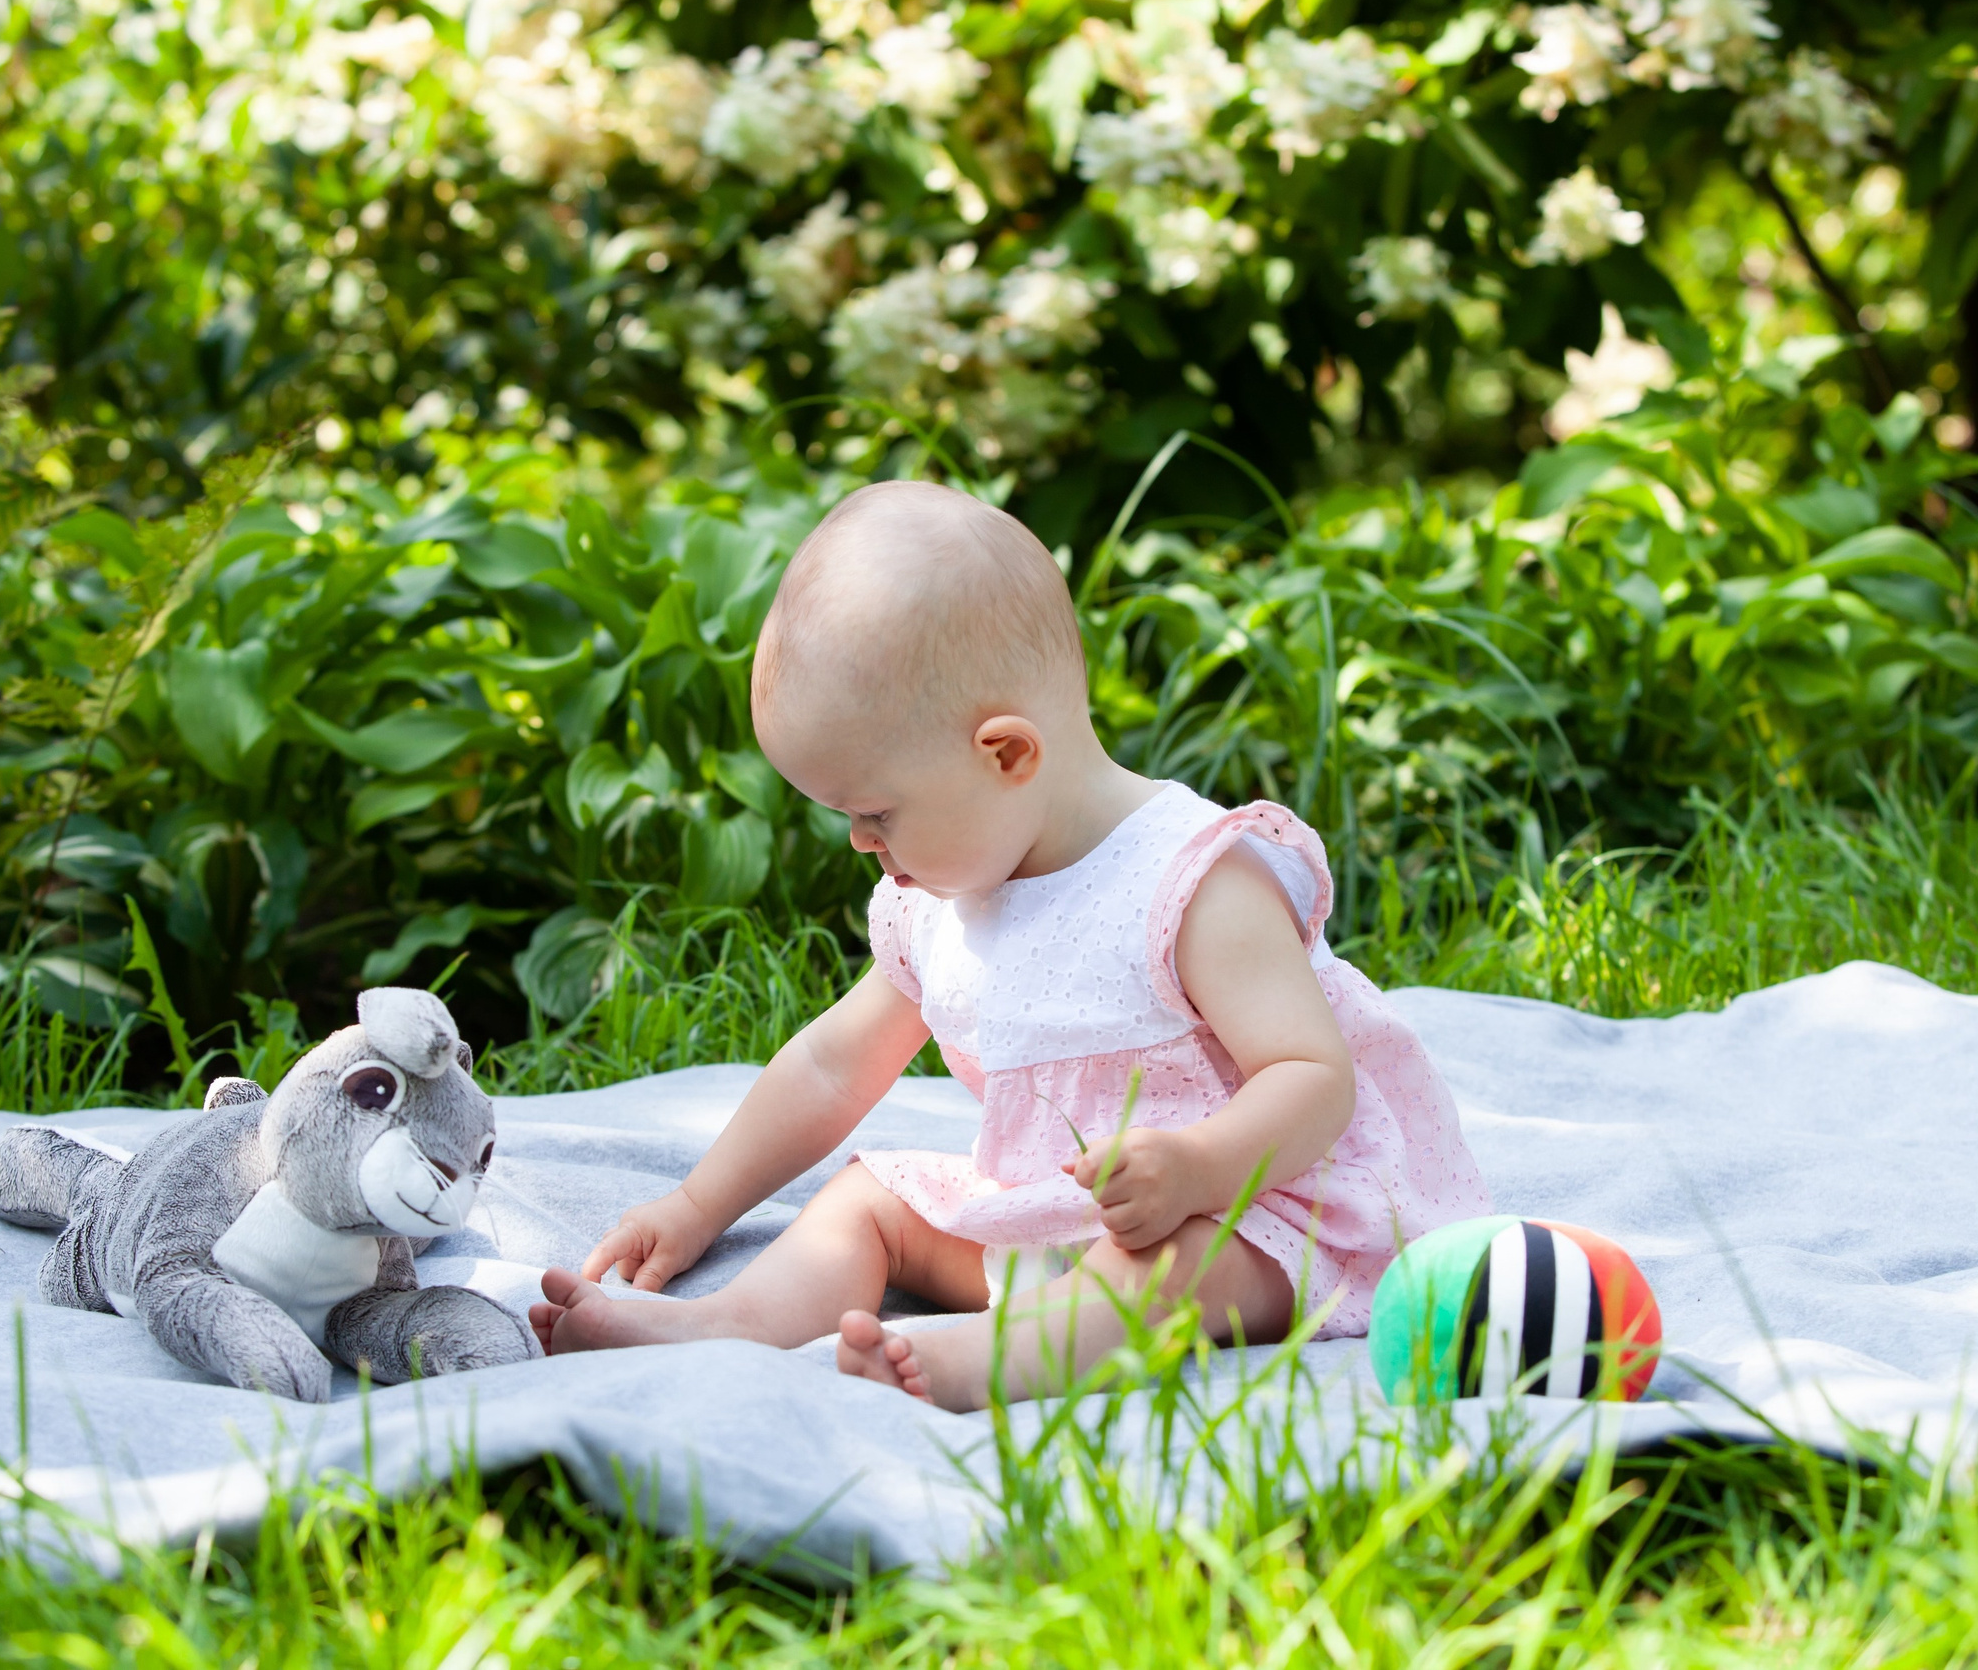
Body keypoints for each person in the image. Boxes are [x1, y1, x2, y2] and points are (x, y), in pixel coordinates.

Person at [527, 480, 1491, 1409]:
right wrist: (694, 1208)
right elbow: (829, 1066)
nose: (861, 843)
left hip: (1265, 1209)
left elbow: (1313, 1076)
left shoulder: (1192, 879)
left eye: (874, 811)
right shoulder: (942, 899)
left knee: (1167, 1268)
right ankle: (728, 1323)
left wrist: (1199, 1166)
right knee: (870, 1200)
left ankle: (977, 1365)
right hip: (1059, 1207)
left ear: (1006, 753)